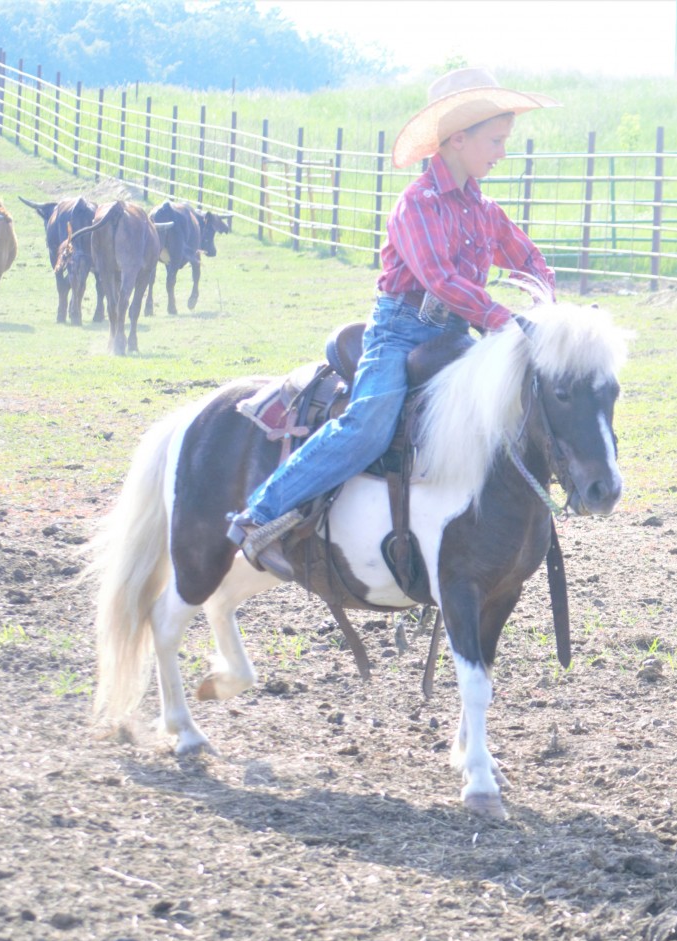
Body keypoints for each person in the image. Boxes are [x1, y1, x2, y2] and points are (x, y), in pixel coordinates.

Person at [226, 68, 559, 574]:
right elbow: (440, 279)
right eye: (495, 141)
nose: (502, 153)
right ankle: (260, 515)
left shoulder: (485, 210)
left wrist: (546, 308)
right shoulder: (416, 204)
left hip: (455, 333)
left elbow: (529, 260)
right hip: (400, 332)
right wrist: (506, 321)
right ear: (458, 138)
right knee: (370, 425)